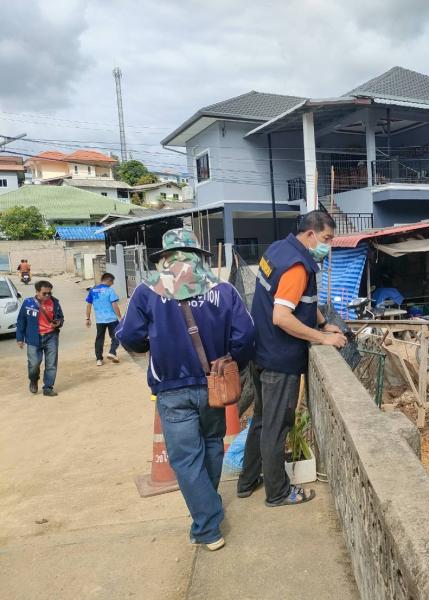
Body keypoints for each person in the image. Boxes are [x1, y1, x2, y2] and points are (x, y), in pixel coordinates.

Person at [116, 228, 255, 551]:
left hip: (172, 389)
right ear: (198, 255)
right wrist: (230, 361)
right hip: (214, 385)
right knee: (212, 445)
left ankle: (207, 527)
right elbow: (246, 334)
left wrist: (154, 346)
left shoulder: (147, 291)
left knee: (185, 459)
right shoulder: (223, 289)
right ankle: (208, 510)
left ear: (165, 257)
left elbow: (130, 336)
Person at [237, 210, 347, 507]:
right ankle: (278, 492)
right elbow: (282, 316)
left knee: (261, 420)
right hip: (279, 358)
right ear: (310, 234)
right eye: (326, 238)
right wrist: (322, 338)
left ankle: (247, 481)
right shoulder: (298, 266)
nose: (328, 245)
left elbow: (301, 300)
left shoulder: (278, 250)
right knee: (276, 427)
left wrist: (323, 322)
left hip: (259, 350)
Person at [16, 280, 63, 396]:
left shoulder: (55, 303)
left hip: (51, 337)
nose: (47, 295)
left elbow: (60, 318)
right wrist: (20, 338)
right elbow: (21, 320)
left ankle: (48, 387)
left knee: (51, 364)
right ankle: (33, 380)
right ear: (37, 292)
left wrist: (58, 323)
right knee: (33, 364)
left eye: (49, 293)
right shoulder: (28, 303)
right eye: (44, 293)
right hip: (33, 338)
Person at [85, 273, 122, 366]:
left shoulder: (92, 290)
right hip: (112, 319)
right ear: (108, 280)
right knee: (116, 336)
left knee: (99, 339)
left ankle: (99, 359)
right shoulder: (109, 290)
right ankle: (112, 352)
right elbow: (114, 305)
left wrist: (88, 318)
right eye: (112, 282)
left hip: (100, 320)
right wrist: (120, 317)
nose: (112, 284)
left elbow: (89, 305)